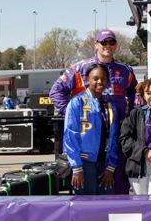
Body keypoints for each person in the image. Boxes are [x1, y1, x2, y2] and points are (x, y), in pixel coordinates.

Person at [49, 29, 137, 194]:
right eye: (103, 42)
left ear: (116, 46)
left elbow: (135, 94)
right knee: (86, 195)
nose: (107, 46)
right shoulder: (80, 67)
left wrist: (130, 117)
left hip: (116, 135)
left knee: (116, 186)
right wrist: (72, 113)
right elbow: (56, 91)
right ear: (96, 44)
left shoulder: (125, 70)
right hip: (87, 140)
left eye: (111, 42)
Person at [63, 63, 119, 195]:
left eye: (103, 78)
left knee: (106, 209)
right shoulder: (77, 102)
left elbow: (114, 137)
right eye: (96, 78)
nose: (100, 82)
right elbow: (70, 135)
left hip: (105, 165)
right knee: (85, 209)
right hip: (84, 164)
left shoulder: (110, 105)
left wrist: (111, 167)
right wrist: (77, 168)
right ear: (87, 79)